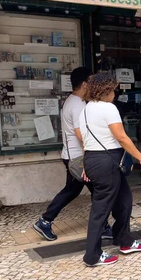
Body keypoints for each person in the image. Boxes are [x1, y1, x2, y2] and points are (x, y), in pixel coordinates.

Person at [79, 73, 141, 266]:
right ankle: (92, 255)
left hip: (95, 159)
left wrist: (86, 164)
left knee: (124, 200)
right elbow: (122, 138)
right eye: (113, 90)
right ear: (106, 90)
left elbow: (85, 141)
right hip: (107, 161)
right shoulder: (108, 108)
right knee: (100, 209)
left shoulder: (85, 110)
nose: (115, 94)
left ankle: (124, 240)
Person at [33, 67, 113, 241]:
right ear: (85, 84)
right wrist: (89, 158)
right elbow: (80, 134)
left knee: (74, 190)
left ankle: (46, 220)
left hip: (73, 156)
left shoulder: (74, 101)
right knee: (98, 191)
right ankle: (103, 228)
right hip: (78, 157)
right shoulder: (77, 105)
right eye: (91, 81)